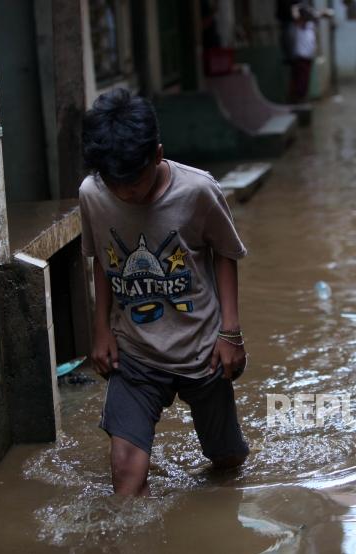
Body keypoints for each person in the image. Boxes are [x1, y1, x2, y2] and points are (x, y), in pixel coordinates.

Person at [79, 88, 250, 497]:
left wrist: (231, 333)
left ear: (157, 155)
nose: (124, 194)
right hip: (135, 354)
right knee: (125, 475)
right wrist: (100, 330)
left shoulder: (198, 191)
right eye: (113, 182)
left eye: (133, 182)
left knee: (226, 461)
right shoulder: (92, 194)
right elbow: (102, 260)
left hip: (201, 350)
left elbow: (226, 254)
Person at [289, 9, 318, 103]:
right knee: (300, 80)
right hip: (301, 58)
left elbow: (317, 16)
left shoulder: (310, 26)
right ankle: (297, 99)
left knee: (304, 81)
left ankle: (301, 98)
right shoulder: (299, 27)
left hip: (308, 57)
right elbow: (295, 14)